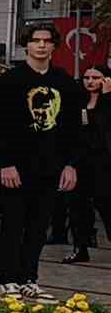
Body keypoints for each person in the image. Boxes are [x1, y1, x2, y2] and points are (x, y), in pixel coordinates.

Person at [0, 25, 82, 300]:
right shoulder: (10, 80)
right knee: (13, 223)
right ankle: (7, 279)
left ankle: (29, 277)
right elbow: (0, 125)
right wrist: (5, 163)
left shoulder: (65, 82)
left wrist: (70, 164)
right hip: (17, 166)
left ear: (54, 46)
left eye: (47, 41)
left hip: (51, 166)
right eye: (35, 41)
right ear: (26, 45)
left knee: (38, 225)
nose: (41, 46)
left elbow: (72, 129)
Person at [65, 65, 111, 264]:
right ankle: (80, 247)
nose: (90, 81)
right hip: (80, 160)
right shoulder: (79, 100)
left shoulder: (109, 101)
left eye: (96, 77)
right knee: (77, 207)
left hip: (104, 162)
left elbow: (104, 128)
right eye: (87, 77)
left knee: (106, 204)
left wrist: (108, 97)